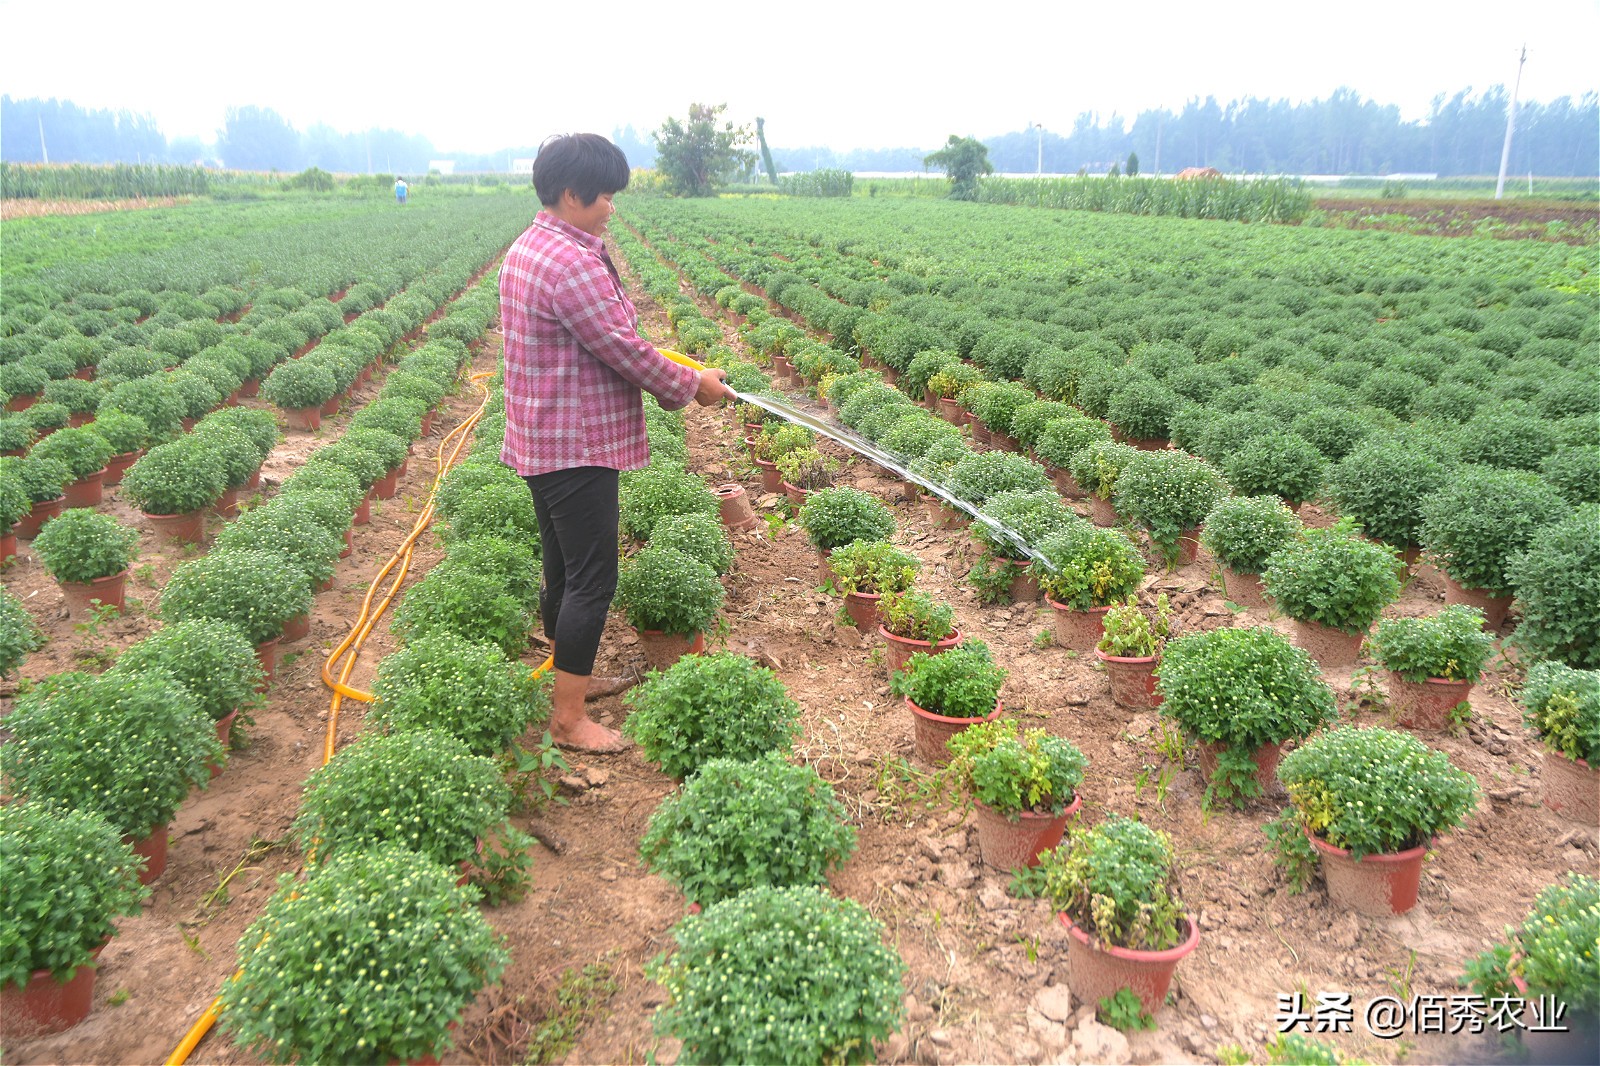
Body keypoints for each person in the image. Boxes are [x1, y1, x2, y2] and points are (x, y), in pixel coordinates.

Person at [500, 133, 733, 753]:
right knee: (593, 580)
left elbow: (610, 338)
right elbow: (623, 349)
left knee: (565, 567)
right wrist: (692, 385)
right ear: (570, 194)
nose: (611, 206)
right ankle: (569, 720)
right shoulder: (571, 263)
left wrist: (675, 369)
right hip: (576, 444)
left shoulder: (531, 245)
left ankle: (566, 680)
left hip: (540, 437)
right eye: (604, 195)